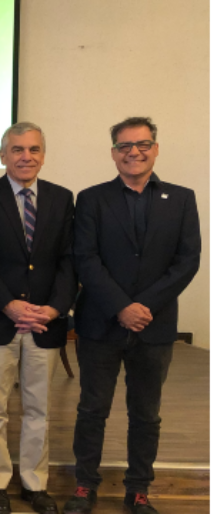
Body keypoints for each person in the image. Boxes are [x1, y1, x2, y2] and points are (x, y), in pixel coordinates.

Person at [64, 118, 201, 514]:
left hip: (154, 327)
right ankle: (84, 486)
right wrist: (120, 306)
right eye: (124, 146)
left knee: (146, 414)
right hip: (100, 323)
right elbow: (84, 258)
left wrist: (145, 306)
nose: (133, 152)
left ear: (156, 148)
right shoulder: (91, 199)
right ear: (113, 153)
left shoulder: (181, 198)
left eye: (142, 144)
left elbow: (187, 261)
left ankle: (138, 489)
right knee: (93, 409)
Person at [0, 122, 78, 514]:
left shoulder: (63, 199)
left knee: (38, 409)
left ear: (43, 155)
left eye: (33, 149)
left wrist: (55, 307)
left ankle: (35, 483)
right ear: (3, 155)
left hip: (45, 322)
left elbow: (69, 260)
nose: (25, 156)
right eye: (17, 150)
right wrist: (7, 304)